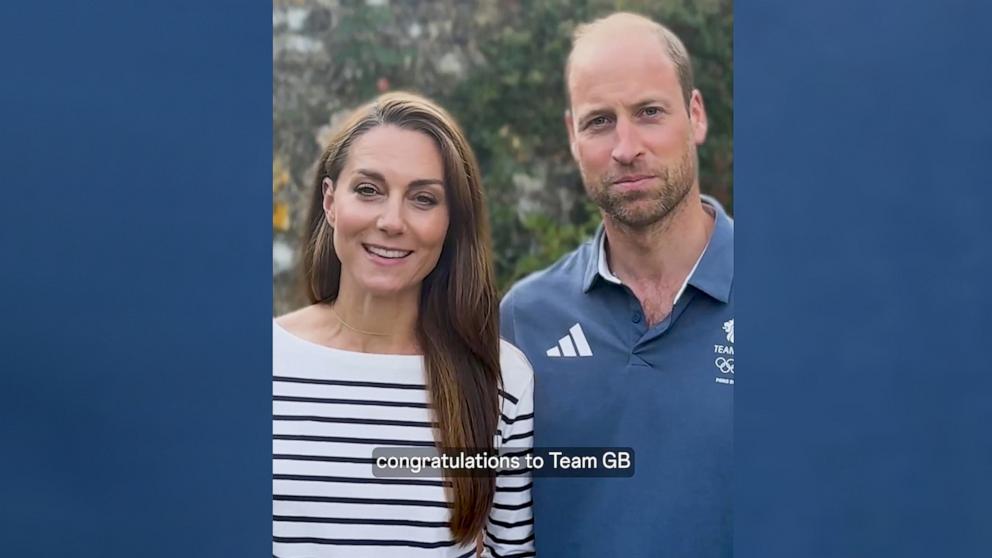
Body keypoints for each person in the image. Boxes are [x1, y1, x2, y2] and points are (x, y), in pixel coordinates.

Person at [499, 12, 732, 557]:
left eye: (649, 112)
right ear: (572, 137)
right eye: (599, 121)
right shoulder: (524, 321)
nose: (626, 147)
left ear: (695, 115)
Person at [274, 92, 535, 558]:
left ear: (451, 223)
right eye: (368, 190)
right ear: (331, 202)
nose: (391, 221)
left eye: (423, 198)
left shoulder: (500, 379)